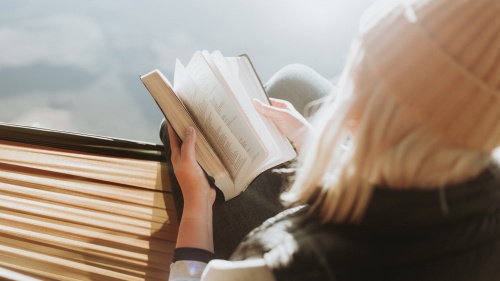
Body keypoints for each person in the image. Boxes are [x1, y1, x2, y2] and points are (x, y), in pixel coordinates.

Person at [162, 0, 500, 280]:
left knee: (177, 130)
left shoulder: (277, 267)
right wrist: (309, 141)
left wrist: (196, 204)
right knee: (295, 81)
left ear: (358, 114)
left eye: (353, 80)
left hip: (311, 243)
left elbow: (192, 277)